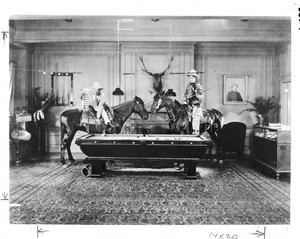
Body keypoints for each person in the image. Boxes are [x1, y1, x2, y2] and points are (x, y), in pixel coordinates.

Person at [183, 69, 204, 135]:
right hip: (188, 104)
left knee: (195, 115)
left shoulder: (198, 86)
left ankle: (196, 130)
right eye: (189, 77)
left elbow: (201, 96)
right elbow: (185, 94)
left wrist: (197, 95)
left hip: (195, 104)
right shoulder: (188, 86)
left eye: (192, 77)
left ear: (195, 78)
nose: (190, 78)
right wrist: (185, 100)